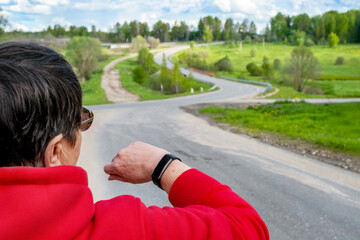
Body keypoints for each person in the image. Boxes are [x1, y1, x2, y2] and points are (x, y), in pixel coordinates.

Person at [0, 41, 269, 240]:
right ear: (56, 151)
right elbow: (248, 228)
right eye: (80, 121)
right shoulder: (124, 229)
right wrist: (163, 166)